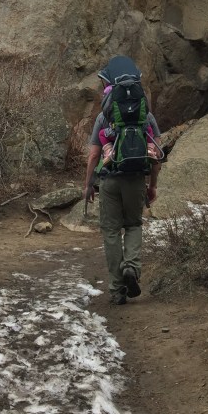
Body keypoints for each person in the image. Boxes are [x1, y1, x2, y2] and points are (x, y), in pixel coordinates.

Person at [83, 56, 162, 306]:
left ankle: (117, 290)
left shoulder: (103, 117)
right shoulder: (146, 117)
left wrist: (88, 184)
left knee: (111, 232)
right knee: (134, 225)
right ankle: (132, 268)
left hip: (109, 181)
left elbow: (94, 154)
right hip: (136, 178)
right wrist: (152, 185)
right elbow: (155, 154)